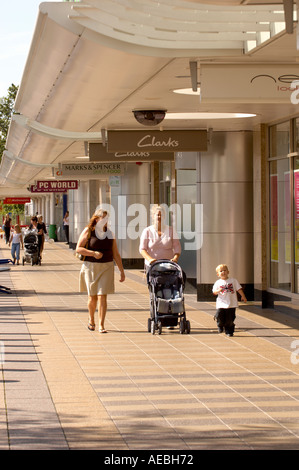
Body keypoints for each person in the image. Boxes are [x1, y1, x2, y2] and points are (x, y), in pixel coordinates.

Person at [76, 208, 125, 333]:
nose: (104, 220)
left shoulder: (110, 233)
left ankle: (101, 325)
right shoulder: (88, 231)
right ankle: (91, 319)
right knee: (92, 298)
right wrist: (93, 253)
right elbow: (78, 249)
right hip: (91, 267)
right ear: (96, 219)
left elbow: (116, 254)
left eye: (106, 218)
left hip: (107, 266)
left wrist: (121, 271)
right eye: (102, 217)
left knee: (102, 296)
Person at [139, 204, 181, 270]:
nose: (159, 217)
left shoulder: (171, 230)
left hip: (168, 266)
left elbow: (177, 247)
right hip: (152, 266)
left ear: (164, 217)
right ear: (153, 216)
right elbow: (142, 249)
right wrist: (150, 259)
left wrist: (175, 258)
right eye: (157, 215)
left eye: (162, 215)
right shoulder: (147, 231)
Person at [212, 264, 247, 337]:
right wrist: (218, 290)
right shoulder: (218, 282)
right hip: (221, 303)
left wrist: (243, 296)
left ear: (228, 272)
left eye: (225, 270)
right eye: (221, 271)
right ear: (218, 274)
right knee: (219, 315)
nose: (223, 272)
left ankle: (229, 331)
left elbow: (239, 289)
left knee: (230, 318)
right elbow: (214, 292)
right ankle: (220, 325)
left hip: (231, 303)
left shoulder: (233, 281)